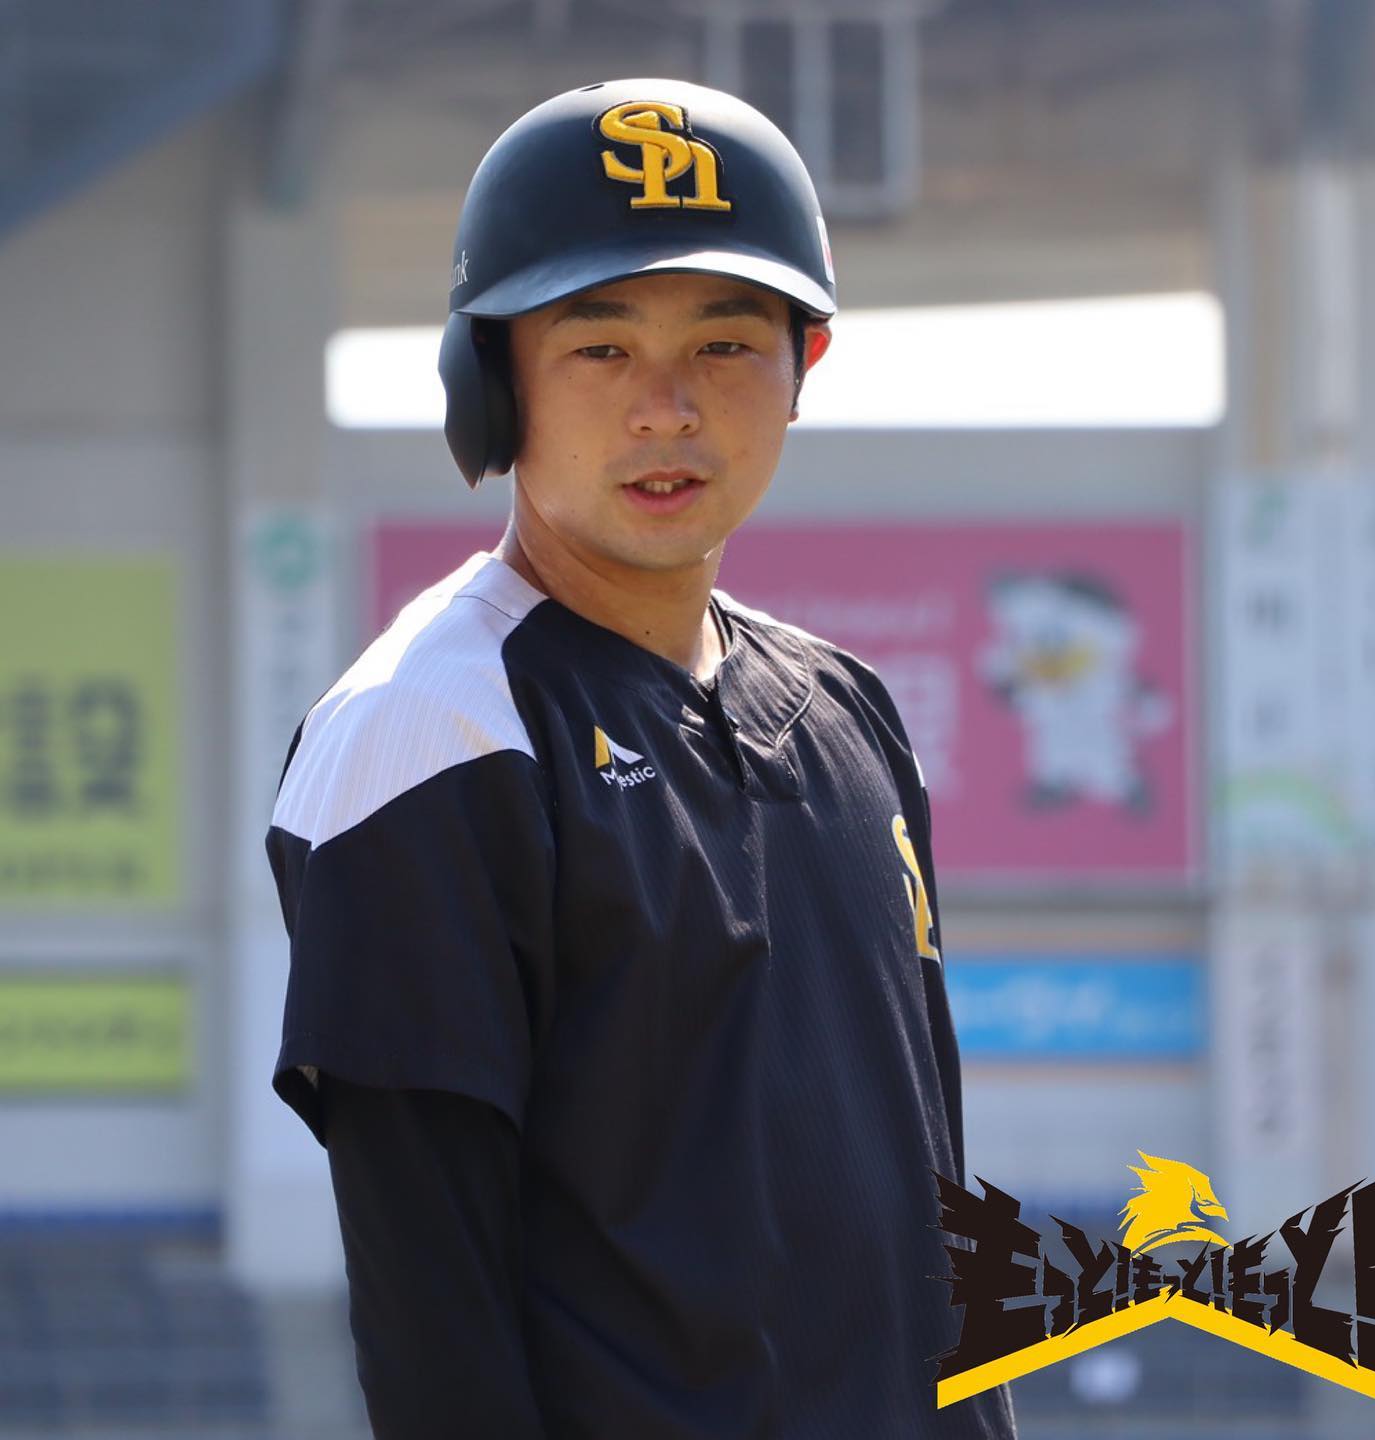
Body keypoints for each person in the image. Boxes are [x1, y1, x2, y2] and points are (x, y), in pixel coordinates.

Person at [266, 76, 1017, 1439]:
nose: (667, 409)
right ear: (492, 378)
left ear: (805, 365)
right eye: (600, 347)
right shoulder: (427, 736)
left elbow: (934, 1229)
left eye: (725, 344)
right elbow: (436, 1333)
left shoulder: (848, 709)